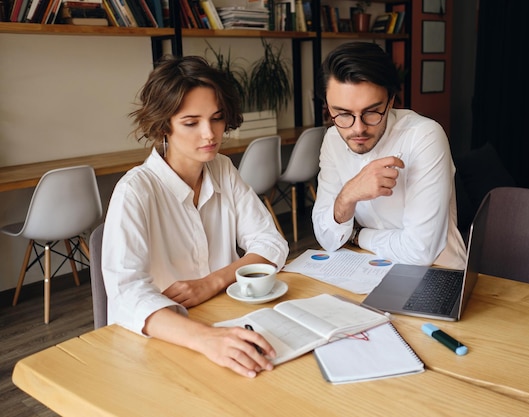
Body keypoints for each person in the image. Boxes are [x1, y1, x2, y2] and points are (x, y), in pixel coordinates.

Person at [101, 55, 289, 378]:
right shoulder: (135, 191)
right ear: (164, 126)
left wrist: (212, 282)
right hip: (164, 343)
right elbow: (126, 295)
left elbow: (271, 244)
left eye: (216, 118)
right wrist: (205, 339)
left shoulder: (222, 169)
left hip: (225, 320)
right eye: (191, 123)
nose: (210, 134)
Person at [312, 42, 466, 270]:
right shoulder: (333, 139)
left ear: (391, 100)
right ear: (328, 107)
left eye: (371, 112)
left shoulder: (424, 137)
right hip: (366, 268)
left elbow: (420, 251)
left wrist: (357, 236)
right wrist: (347, 195)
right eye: (343, 114)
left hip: (437, 273)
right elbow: (327, 238)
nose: (358, 129)